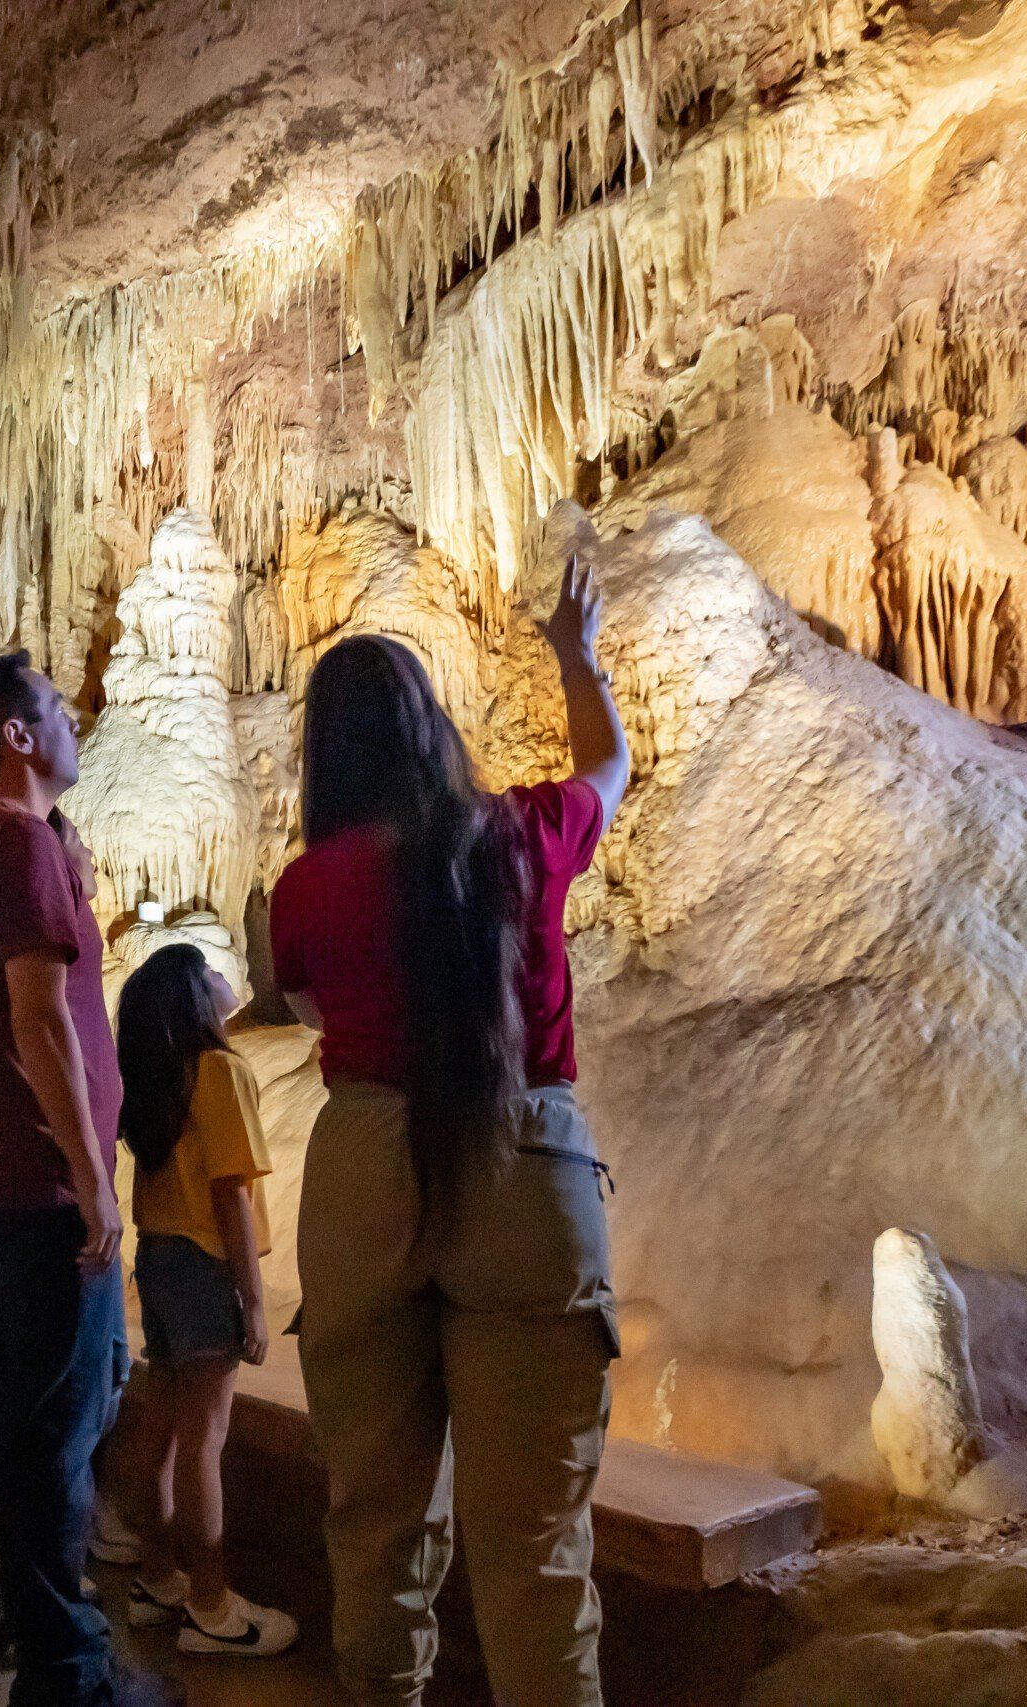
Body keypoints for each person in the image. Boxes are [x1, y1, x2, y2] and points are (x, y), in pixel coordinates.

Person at [269, 560, 630, 1707]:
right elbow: (609, 769)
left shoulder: (305, 889)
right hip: (525, 1159)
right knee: (536, 1550)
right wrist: (575, 657)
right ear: (431, 730)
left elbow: (312, 1011)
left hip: (365, 1169)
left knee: (375, 1528)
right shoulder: (523, 830)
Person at [0, 652, 179, 1707]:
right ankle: (65, 1671)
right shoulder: (17, 845)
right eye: (56, 707)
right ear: (17, 735)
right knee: (59, 1427)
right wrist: (92, 1178)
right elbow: (41, 1019)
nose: (73, 720)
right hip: (40, 1181)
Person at [112, 945, 296, 1659]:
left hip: (159, 1257)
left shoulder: (161, 1078)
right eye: (213, 970)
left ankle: (158, 1577)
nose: (227, 976)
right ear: (193, 995)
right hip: (203, 1263)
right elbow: (230, 1192)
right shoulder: (219, 1069)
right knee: (203, 1440)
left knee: (160, 1430)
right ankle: (212, 1606)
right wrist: (253, 1299)